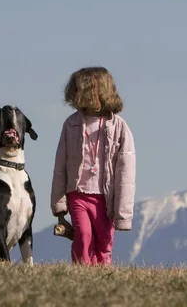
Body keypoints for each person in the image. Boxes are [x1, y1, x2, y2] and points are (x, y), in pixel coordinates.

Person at [50, 66, 136, 265]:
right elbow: (60, 165)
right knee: (84, 235)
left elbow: (126, 172)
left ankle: (101, 276)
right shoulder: (70, 124)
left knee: (104, 242)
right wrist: (59, 203)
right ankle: (81, 272)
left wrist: (123, 213)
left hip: (106, 198)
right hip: (77, 193)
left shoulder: (119, 126)